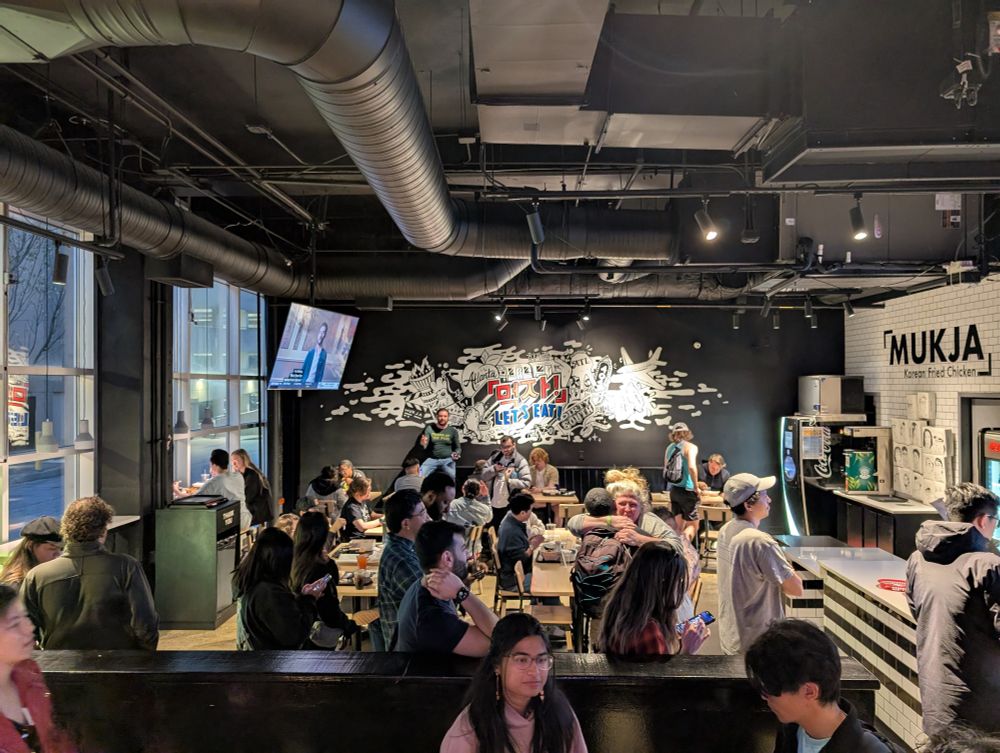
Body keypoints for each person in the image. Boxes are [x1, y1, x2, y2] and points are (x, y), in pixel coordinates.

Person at [906, 482, 1000, 738]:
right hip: (982, 709)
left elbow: (917, 611)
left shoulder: (918, 559)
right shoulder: (987, 565)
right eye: (996, 521)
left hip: (936, 700)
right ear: (983, 520)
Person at [21, 496, 159, 650]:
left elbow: (23, 630)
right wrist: (143, 660)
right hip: (118, 664)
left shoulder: (37, 576)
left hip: (60, 666)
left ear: (65, 528)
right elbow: (145, 622)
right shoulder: (126, 567)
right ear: (103, 531)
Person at [440, 613, 587, 753]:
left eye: (541, 660)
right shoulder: (472, 726)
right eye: (522, 660)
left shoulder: (559, 712)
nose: (534, 671)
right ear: (496, 665)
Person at [745, 619, 896, 753]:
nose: (764, 697)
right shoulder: (791, 730)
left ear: (810, 691)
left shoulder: (867, 749)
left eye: (769, 689)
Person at [716, 473, 803, 655]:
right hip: (758, 643)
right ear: (748, 505)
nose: (769, 499)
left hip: (732, 635)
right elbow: (795, 588)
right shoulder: (759, 541)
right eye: (764, 495)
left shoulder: (726, 530)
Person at [394, 521, 498, 656]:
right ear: (447, 558)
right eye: (463, 549)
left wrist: (464, 580)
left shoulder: (423, 584)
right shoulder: (433, 617)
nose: (468, 556)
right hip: (428, 676)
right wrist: (462, 593)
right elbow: (499, 641)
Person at [598, 540, 709, 658]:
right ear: (663, 585)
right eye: (679, 581)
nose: (681, 588)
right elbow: (662, 675)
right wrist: (687, 650)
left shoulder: (619, 609)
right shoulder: (648, 632)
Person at [0, 583, 77, 752]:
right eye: (15, 624)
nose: (30, 628)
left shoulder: (31, 681)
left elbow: (59, 743)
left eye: (25, 617)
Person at [233, 527, 328, 650]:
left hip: (256, 657)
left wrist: (302, 597)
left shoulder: (249, 581)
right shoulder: (269, 592)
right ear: (280, 561)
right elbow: (294, 635)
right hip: (274, 662)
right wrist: (309, 600)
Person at [290, 511, 356, 647]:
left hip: (298, 633)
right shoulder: (320, 567)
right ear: (322, 536)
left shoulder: (292, 561)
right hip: (317, 638)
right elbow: (329, 611)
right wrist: (349, 625)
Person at [378, 490, 430, 648]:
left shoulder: (405, 548)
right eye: (422, 513)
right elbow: (432, 604)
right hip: (406, 652)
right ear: (406, 524)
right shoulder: (403, 560)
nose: (427, 518)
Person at [498, 494, 559, 607]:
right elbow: (521, 560)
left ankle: (542, 607)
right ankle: (552, 614)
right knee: (549, 582)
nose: (532, 512)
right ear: (522, 513)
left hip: (516, 573)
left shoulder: (511, 519)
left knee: (548, 574)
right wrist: (533, 546)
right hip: (513, 580)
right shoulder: (511, 531)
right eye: (530, 510)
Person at [481, 436, 530, 531]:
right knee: (493, 532)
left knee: (509, 531)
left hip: (510, 503)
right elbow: (483, 476)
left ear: (514, 445)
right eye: (503, 447)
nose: (505, 449)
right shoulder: (494, 459)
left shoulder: (520, 461)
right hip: (493, 503)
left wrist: (509, 480)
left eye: (508, 447)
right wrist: (494, 469)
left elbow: (526, 483)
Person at [0, 517, 62, 589]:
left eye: (61, 549)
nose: (58, 555)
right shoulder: (15, 585)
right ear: (30, 546)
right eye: (52, 548)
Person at [663, 422, 700, 542]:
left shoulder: (669, 448)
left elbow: (666, 468)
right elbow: (692, 467)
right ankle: (684, 552)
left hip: (674, 490)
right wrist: (696, 487)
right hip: (688, 491)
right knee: (692, 525)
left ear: (673, 434)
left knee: (678, 527)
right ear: (687, 433)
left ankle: (675, 553)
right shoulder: (690, 447)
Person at [199, 449, 249, 530]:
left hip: (232, 523)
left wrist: (178, 492)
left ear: (213, 464)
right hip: (245, 519)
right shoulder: (238, 476)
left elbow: (195, 499)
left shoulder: (214, 482)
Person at [232, 448, 273, 526]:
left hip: (257, 513)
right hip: (256, 510)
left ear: (243, 459)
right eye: (232, 461)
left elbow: (248, 497)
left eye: (236, 460)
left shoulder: (252, 475)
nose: (233, 463)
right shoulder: (243, 474)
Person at [419, 408, 461, 478]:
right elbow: (424, 445)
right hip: (431, 459)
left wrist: (456, 454)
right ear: (437, 417)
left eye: (445, 416)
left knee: (452, 478)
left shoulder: (453, 431)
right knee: (420, 476)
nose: (442, 418)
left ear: (448, 418)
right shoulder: (429, 428)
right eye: (440, 416)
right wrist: (422, 444)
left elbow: (458, 447)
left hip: (447, 460)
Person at [339, 476, 382, 540]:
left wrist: (386, 516)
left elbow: (372, 515)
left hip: (367, 536)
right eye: (369, 490)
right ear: (358, 493)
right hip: (357, 540)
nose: (370, 492)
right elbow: (362, 527)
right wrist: (381, 521)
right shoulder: (352, 507)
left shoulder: (362, 501)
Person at [300, 321, 328, 388]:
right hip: (304, 383)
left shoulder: (324, 354)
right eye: (320, 332)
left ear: (325, 335)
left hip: (314, 386)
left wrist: (317, 387)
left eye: (323, 332)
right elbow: (303, 369)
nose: (321, 335)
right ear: (317, 333)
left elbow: (321, 373)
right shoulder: (310, 352)